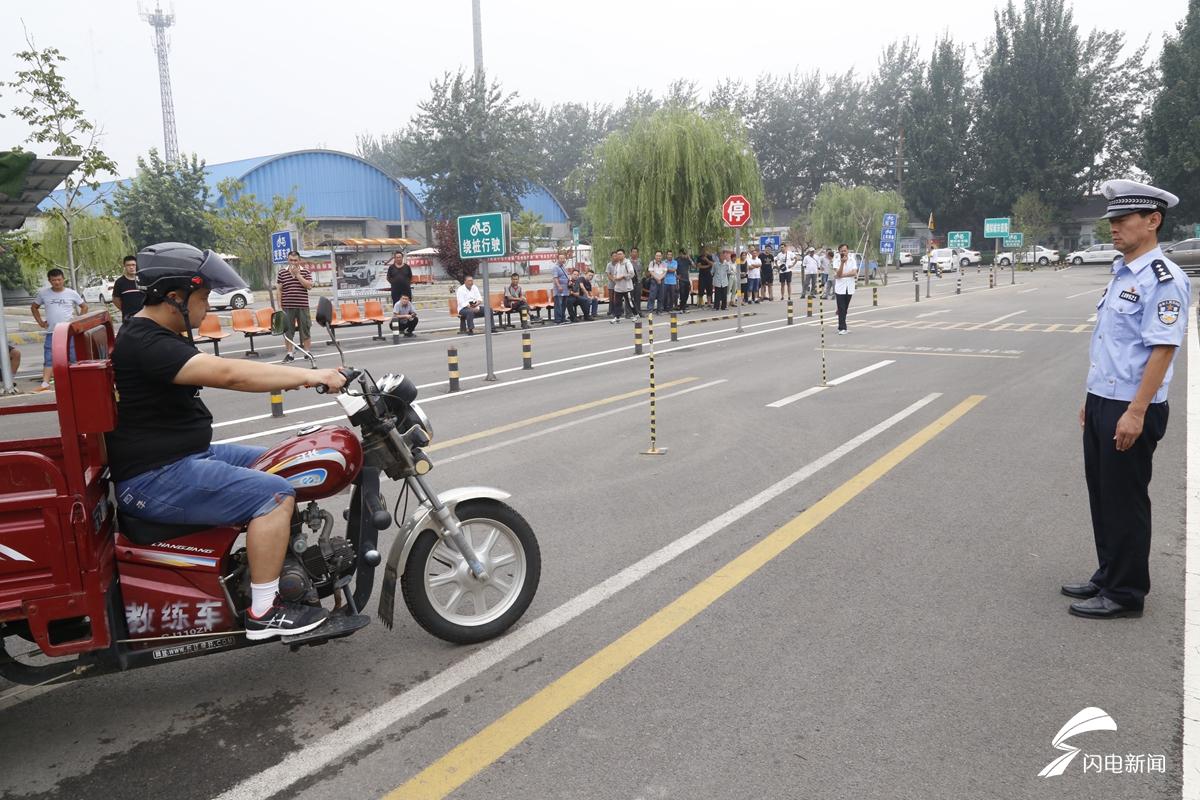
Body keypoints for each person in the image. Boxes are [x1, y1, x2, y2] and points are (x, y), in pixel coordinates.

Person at [108, 242, 345, 640]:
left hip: (181, 456)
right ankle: (266, 610)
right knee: (275, 495)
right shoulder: (148, 342)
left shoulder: (159, 333)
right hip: (154, 476)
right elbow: (232, 375)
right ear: (174, 298)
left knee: (283, 460)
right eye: (202, 298)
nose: (208, 308)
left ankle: (281, 567)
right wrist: (313, 375)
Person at [1064, 179, 1190, 620]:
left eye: (1121, 221)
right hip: (1104, 400)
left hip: (1133, 406)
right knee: (1103, 495)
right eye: (1111, 222)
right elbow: (1111, 346)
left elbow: (1162, 348)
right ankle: (1108, 573)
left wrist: (1136, 411)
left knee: (1126, 500)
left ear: (1152, 221)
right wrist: (1091, 397)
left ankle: (1126, 593)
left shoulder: (1163, 279)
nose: (1112, 229)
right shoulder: (1122, 273)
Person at [31, 268, 87, 392]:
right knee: (49, 356)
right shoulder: (43, 293)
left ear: (63, 279)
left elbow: (84, 306)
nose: (57, 282)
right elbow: (34, 307)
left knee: (72, 355)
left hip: (68, 330)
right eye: (54, 280)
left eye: (59, 279)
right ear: (49, 281)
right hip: (52, 331)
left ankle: (76, 381)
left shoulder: (71, 293)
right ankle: (45, 383)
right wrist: (40, 322)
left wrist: (78, 320)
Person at [277, 250, 313, 362]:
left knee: (305, 329)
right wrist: (279, 306)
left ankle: (307, 352)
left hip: (302, 306)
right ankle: (290, 354)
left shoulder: (305, 272)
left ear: (299, 260)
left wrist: (298, 275)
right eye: (291, 260)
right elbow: (279, 290)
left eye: (295, 260)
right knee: (288, 331)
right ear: (288, 260)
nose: (293, 262)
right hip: (287, 307)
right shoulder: (282, 272)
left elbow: (309, 286)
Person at [112, 255, 145, 323]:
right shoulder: (120, 282)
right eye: (128, 265)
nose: (131, 267)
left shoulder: (143, 280)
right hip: (129, 319)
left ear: (137, 265)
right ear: (124, 266)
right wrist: (125, 309)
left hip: (144, 317)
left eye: (133, 265)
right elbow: (116, 300)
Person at [833, 244, 858, 334]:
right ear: (839, 252)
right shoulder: (836, 261)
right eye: (842, 251)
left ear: (848, 251)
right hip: (840, 288)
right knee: (842, 308)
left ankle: (843, 326)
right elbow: (838, 273)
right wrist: (842, 263)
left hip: (850, 287)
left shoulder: (852, 260)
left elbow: (854, 273)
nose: (843, 252)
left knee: (845, 308)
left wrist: (842, 275)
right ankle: (842, 328)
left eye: (845, 250)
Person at [607, 250, 634, 323]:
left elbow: (632, 274)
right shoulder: (617, 264)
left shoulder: (627, 263)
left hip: (627, 287)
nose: (619, 255)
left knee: (630, 302)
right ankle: (617, 317)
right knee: (617, 303)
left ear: (624, 255)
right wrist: (615, 278)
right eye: (618, 254)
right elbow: (614, 274)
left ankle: (635, 314)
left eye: (620, 254)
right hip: (618, 287)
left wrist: (623, 277)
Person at [552, 253, 571, 324]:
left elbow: (565, 276)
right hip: (559, 290)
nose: (563, 260)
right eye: (561, 258)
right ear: (558, 259)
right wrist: (559, 286)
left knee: (563, 304)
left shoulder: (563, 267)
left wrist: (569, 282)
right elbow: (555, 278)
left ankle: (563, 318)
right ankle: (558, 320)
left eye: (564, 258)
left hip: (565, 289)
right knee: (558, 305)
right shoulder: (555, 267)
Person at [628, 247, 644, 317]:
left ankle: (638, 311)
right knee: (630, 297)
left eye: (636, 252)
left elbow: (641, 271)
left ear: (638, 253)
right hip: (630, 281)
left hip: (638, 281)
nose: (634, 253)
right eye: (633, 252)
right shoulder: (627, 262)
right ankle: (630, 313)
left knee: (638, 297)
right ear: (630, 253)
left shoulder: (640, 261)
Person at [662, 249, 679, 314]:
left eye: (671, 255)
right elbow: (663, 270)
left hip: (673, 281)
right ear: (666, 255)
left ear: (672, 255)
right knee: (665, 295)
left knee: (672, 295)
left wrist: (667, 269)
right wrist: (668, 269)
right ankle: (665, 307)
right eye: (668, 254)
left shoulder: (675, 262)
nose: (669, 256)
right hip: (665, 281)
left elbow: (674, 270)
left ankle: (670, 308)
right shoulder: (663, 262)